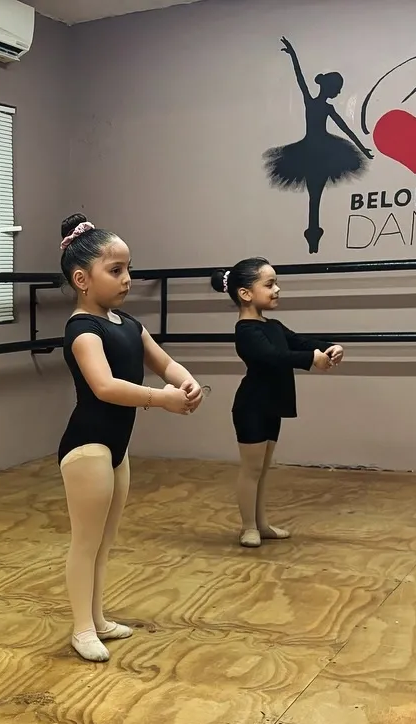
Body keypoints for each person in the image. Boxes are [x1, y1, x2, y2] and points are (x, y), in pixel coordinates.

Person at [56, 214, 204, 663]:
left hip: (116, 449)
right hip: (88, 447)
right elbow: (105, 387)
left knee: (106, 539)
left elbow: (164, 362)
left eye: (128, 268)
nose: (127, 279)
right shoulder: (83, 331)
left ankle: (98, 618)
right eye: (115, 271)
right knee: (85, 541)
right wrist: (161, 400)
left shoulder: (127, 324)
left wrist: (186, 381)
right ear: (82, 279)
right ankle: (82, 627)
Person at [211, 257, 343, 549]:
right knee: (251, 469)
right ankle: (248, 526)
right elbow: (273, 358)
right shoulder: (246, 331)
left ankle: (261, 523)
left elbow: (299, 342)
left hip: (272, 405)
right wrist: (312, 360)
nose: (277, 289)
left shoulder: (272, 325)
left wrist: (329, 346)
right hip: (252, 407)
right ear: (245, 293)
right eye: (269, 284)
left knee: (263, 469)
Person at [263, 37, 375, 254]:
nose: (339, 93)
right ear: (330, 88)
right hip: (317, 152)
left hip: (317, 151)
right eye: (338, 89)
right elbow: (299, 78)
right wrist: (293, 54)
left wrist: (362, 148)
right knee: (315, 195)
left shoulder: (317, 104)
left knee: (315, 196)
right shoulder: (317, 103)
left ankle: (313, 235)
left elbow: (345, 128)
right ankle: (313, 235)